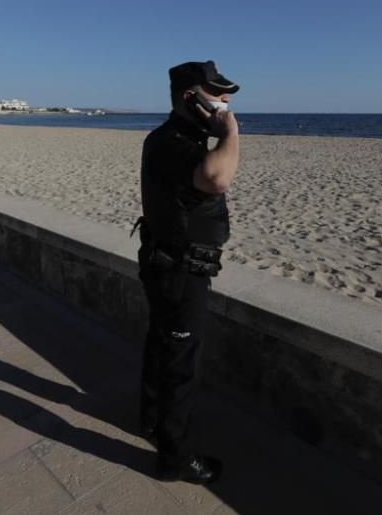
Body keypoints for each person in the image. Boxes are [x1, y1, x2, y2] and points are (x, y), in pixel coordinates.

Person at [135, 60, 240, 485]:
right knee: (181, 364)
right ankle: (174, 460)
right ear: (189, 98)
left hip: (169, 265)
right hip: (180, 271)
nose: (225, 102)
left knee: (162, 347)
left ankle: (152, 423)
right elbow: (216, 178)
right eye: (216, 94)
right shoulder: (171, 141)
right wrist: (231, 132)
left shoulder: (183, 137)